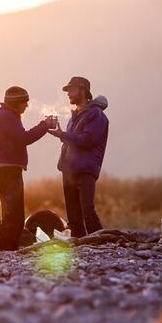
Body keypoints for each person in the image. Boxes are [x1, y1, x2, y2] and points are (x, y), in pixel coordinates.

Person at [0, 86, 56, 250]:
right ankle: (2, 249)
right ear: (16, 102)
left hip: (7, 169)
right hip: (9, 170)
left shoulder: (6, 115)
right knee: (13, 214)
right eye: (24, 102)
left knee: (13, 214)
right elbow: (24, 138)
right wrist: (45, 125)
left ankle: (7, 248)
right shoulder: (6, 116)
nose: (27, 105)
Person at [47, 76, 109, 238]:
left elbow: (87, 140)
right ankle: (80, 244)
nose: (68, 94)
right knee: (73, 215)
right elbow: (71, 142)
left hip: (85, 170)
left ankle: (101, 242)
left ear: (83, 91)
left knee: (87, 211)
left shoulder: (96, 115)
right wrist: (62, 136)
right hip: (69, 171)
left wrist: (63, 134)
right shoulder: (76, 116)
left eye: (71, 90)